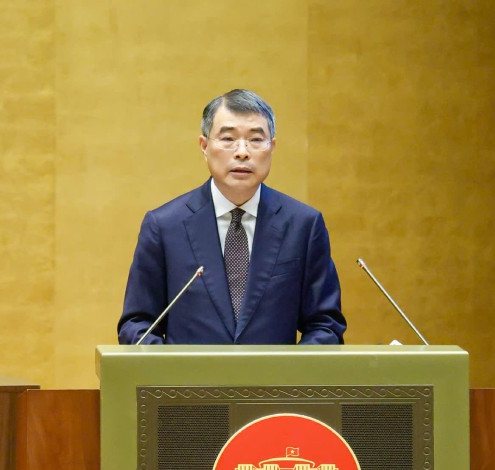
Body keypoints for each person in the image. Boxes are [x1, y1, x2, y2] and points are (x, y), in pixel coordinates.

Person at [117, 89, 346, 345]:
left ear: (272, 147)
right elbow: (137, 324)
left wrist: (292, 368)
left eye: (255, 139)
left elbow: (325, 325)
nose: (242, 152)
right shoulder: (164, 226)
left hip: (275, 373)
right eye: (228, 139)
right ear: (204, 146)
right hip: (188, 373)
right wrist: (173, 368)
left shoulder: (303, 225)